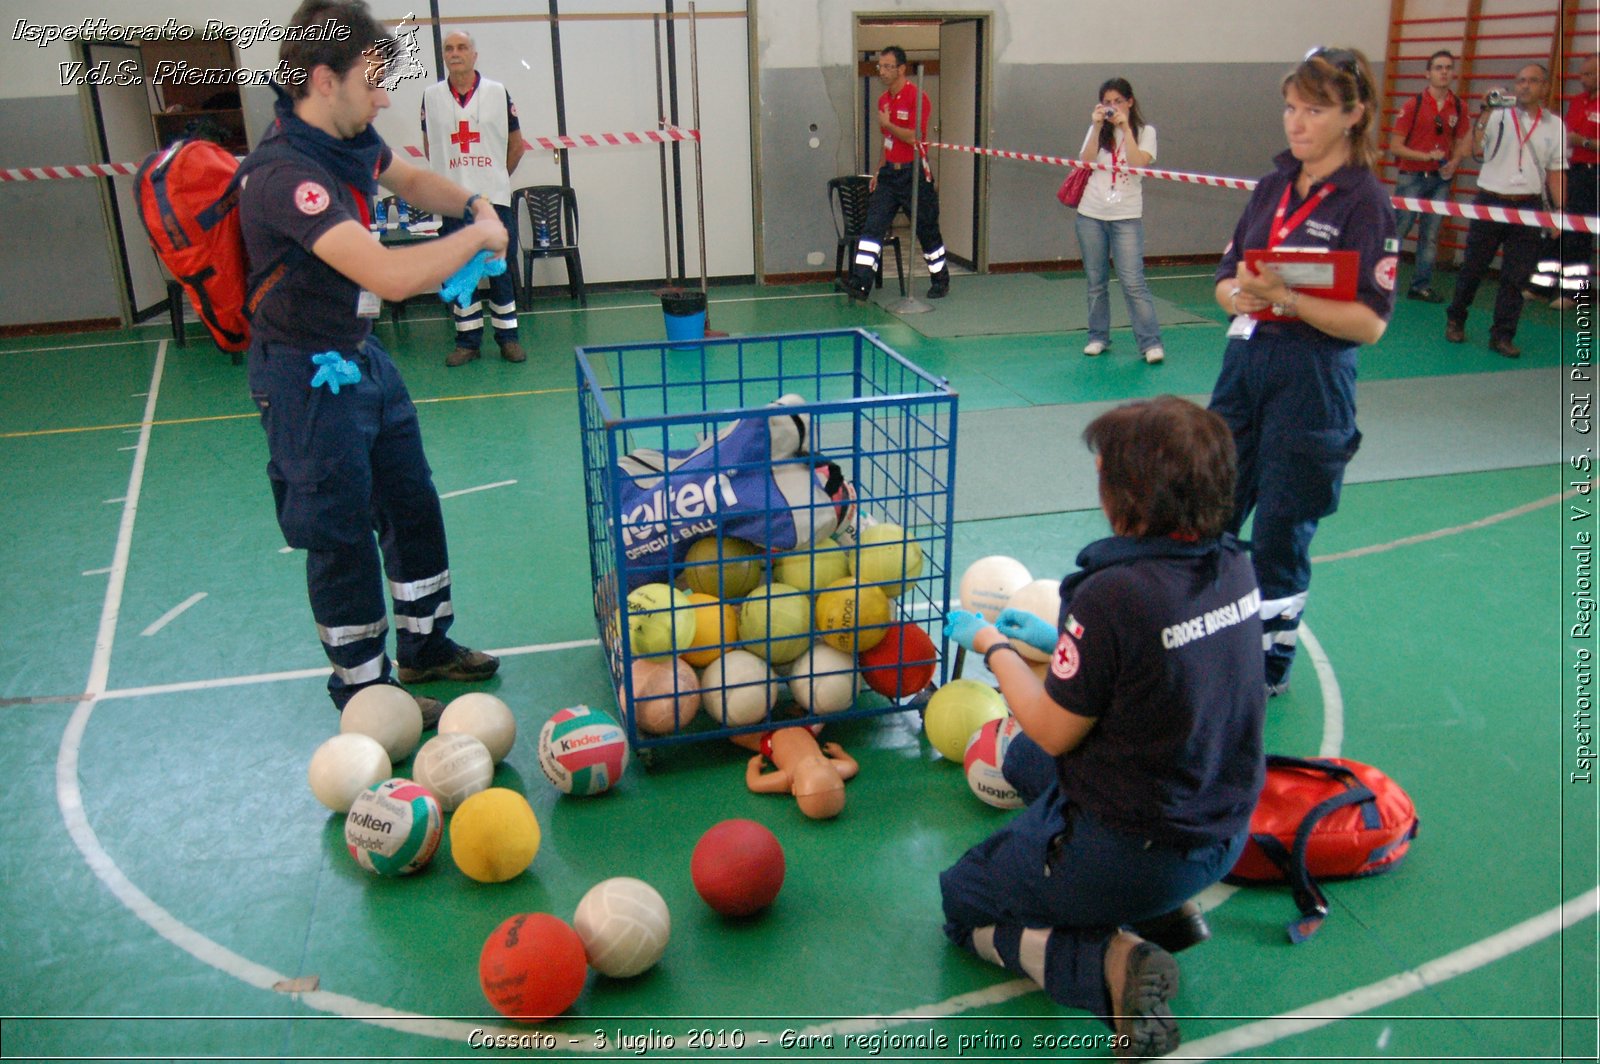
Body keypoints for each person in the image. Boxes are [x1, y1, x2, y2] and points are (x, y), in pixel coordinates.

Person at [939, 396, 1266, 1062]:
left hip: (1134, 853)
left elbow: (1058, 732)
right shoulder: (1234, 563)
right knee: (1021, 757)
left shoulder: (1112, 595)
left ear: (1130, 496)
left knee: (963, 900)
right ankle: (1163, 909)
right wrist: (1061, 637)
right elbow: (1153, 657)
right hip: (1222, 829)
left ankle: (1110, 962)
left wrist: (993, 647)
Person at [239, 0, 505, 722]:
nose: (385, 96)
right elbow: (388, 278)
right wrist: (480, 237)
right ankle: (362, 687)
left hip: (364, 359)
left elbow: (411, 178)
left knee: (410, 503)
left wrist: (478, 199)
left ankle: (425, 646)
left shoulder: (350, 139)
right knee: (339, 529)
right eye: (374, 81)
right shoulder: (287, 175)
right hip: (306, 377)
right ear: (325, 80)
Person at [1210, 47, 1397, 697]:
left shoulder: (1365, 203)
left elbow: (1371, 324)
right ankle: (1207, 635)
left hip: (1313, 376)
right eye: (1291, 106)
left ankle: (1266, 664)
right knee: (1210, 506)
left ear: (1353, 115)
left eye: (1314, 110)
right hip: (1245, 361)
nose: (1296, 122)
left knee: (1284, 527)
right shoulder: (1269, 189)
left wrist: (1287, 298)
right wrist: (1243, 296)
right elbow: (1225, 282)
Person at [1445, 63, 1567, 358]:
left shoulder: (1555, 126)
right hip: (1491, 202)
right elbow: (1476, 148)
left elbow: (1556, 171)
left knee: (1516, 275)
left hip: (1528, 206)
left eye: (1532, 81)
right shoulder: (1497, 115)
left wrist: (1559, 212)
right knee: (1473, 267)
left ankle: (1502, 335)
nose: (1525, 86)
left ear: (1545, 87)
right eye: (1520, 81)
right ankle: (1456, 318)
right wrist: (1485, 111)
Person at [421, 30, 527, 366]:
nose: (455, 53)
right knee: (458, 269)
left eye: (462, 47)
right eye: (449, 48)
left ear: (474, 54)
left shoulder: (497, 93)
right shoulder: (431, 96)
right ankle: (467, 341)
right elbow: (430, 146)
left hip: (493, 199)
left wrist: (495, 178)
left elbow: (517, 144)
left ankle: (508, 338)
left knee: (500, 268)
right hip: (453, 202)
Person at [842, 46, 951, 302]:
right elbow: (888, 141)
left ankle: (940, 279)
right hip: (890, 175)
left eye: (888, 66)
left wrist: (888, 123)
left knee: (926, 229)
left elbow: (915, 137)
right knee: (872, 227)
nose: (882, 71)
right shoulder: (883, 100)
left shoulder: (918, 97)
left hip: (914, 173)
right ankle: (861, 283)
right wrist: (880, 169)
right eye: (880, 66)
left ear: (902, 69)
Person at [1075, 78, 1165, 364]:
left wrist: (1125, 129)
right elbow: (1086, 160)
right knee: (1096, 281)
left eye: (1117, 101)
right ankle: (1097, 336)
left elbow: (1139, 163)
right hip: (1091, 213)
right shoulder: (1097, 129)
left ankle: (1150, 342)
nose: (1112, 107)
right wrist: (1098, 125)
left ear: (1130, 102)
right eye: (1107, 102)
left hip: (1126, 216)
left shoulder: (1144, 131)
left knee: (1132, 281)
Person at [1388, 50, 1471, 303]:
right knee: (1397, 231)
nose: (1444, 71)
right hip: (1411, 177)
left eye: (1448, 67)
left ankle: (1420, 285)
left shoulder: (1458, 106)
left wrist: (1454, 162)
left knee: (1431, 235)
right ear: (1428, 73)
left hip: (1440, 181)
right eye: (1438, 67)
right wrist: (1425, 157)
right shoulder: (1413, 104)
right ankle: (1380, 281)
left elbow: (1463, 142)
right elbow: (1395, 146)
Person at [1535, 54, 1597, 309]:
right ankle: (1543, 284)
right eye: (1582, 74)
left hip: (1595, 173)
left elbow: (1578, 138)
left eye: (1589, 75)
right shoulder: (1578, 101)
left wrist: (1583, 141)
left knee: (1580, 234)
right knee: (1557, 228)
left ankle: (1576, 293)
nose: (1583, 80)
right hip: (1573, 170)